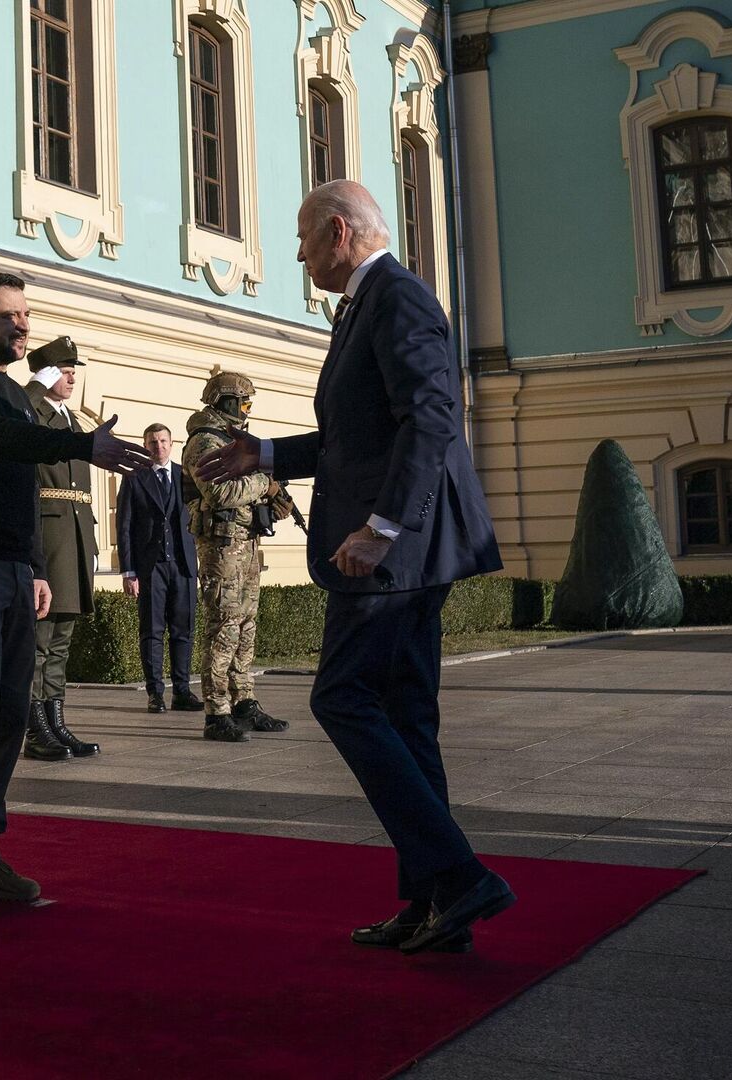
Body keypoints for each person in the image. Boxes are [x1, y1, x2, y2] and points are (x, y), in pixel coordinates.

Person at [196, 180, 511, 955]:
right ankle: (436, 903)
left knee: (342, 698)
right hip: (398, 546)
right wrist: (264, 454)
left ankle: (459, 876)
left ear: (338, 232)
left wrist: (382, 526)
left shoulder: (396, 298)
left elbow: (430, 418)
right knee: (406, 719)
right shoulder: (369, 305)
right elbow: (356, 438)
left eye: (304, 239)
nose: (298, 253)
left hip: (391, 553)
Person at [0, 271, 149, 911]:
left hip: (12, 571)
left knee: (11, 713)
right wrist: (78, 443)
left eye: (25, 313)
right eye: (7, 315)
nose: (22, 325)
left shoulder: (16, 397)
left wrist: (36, 568)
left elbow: (23, 493)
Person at [180, 372, 293, 742]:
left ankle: (244, 700)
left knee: (246, 624)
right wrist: (266, 482)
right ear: (224, 402)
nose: (246, 410)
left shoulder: (235, 440)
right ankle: (217, 711)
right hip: (221, 547)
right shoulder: (204, 441)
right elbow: (219, 494)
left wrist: (272, 499)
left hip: (246, 543)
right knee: (224, 625)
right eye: (242, 403)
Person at [23, 335, 103, 761]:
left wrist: (89, 544)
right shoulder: (30, 410)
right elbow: (15, 415)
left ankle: (56, 722)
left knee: (60, 642)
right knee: (39, 640)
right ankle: (35, 730)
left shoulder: (72, 421)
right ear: (46, 373)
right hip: (47, 541)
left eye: (73, 371)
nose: (71, 378)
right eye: (64, 371)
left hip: (73, 541)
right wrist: (36, 384)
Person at [117, 423, 201, 714]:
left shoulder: (185, 476)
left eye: (163, 441)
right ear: (145, 445)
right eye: (152, 442)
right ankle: (155, 693)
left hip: (183, 565)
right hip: (150, 567)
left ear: (172, 443)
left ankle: (182, 690)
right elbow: (124, 526)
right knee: (151, 632)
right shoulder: (134, 478)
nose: (158, 446)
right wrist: (128, 571)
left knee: (183, 631)